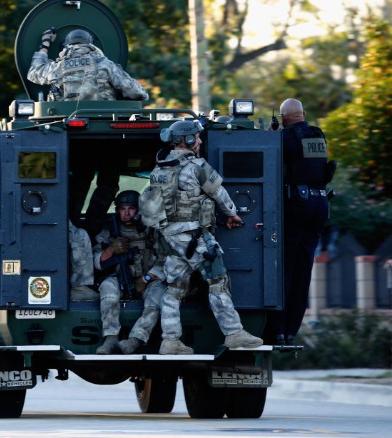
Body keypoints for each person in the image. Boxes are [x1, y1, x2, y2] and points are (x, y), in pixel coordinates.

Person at [144, 120, 263, 354]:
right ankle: (234, 333)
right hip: (195, 238)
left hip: (170, 239)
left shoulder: (158, 171)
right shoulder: (197, 166)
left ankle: (170, 341)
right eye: (196, 137)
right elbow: (220, 194)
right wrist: (233, 215)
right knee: (218, 281)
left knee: (174, 288)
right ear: (185, 140)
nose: (199, 141)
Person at [28, 28, 149, 237]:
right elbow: (138, 93)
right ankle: (93, 228)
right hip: (108, 135)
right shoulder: (105, 65)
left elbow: (34, 72)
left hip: (76, 138)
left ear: (67, 45)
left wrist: (44, 45)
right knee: (108, 183)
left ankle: (72, 226)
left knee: (79, 183)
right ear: (91, 43)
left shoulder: (58, 67)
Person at [267, 98, 332, 346]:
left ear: (282, 117)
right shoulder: (318, 135)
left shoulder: (286, 138)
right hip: (320, 204)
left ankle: (279, 329)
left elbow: (270, 152)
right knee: (304, 268)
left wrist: (273, 134)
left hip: (298, 205)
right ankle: (292, 329)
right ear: (303, 114)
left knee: (285, 267)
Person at [92, 190, 166, 354]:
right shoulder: (110, 230)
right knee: (107, 288)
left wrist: (146, 278)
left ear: (139, 209)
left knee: (157, 296)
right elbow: (96, 261)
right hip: (118, 278)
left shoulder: (152, 230)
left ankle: (135, 340)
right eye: (122, 209)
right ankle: (111, 339)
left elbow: (166, 260)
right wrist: (111, 249)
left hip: (147, 280)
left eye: (131, 208)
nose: (126, 213)